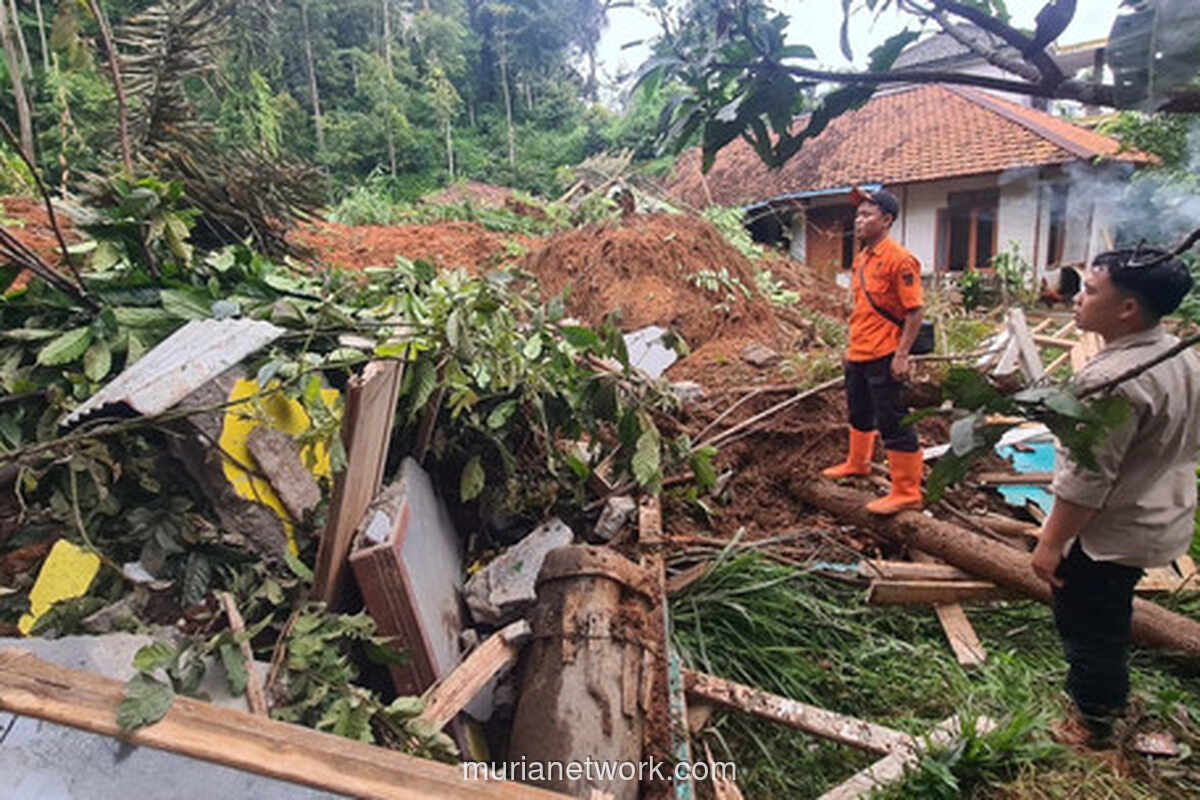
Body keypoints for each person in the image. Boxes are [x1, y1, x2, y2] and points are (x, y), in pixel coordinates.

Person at [1030, 246, 1199, 748]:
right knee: (1110, 612)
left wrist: (1050, 543)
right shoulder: (1179, 355)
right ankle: (1105, 702)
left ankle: (1094, 722)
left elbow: (1088, 478)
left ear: (1128, 308)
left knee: (1088, 625)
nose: (1076, 298)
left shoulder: (1111, 382)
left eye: (1090, 290)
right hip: (1158, 515)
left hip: (1107, 533)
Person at [821, 187, 926, 515]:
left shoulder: (900, 260)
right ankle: (858, 463)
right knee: (859, 411)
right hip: (859, 351)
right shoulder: (862, 259)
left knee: (893, 420)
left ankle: (907, 491)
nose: (859, 220)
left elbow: (915, 311)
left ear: (887, 220)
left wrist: (902, 355)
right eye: (858, 214)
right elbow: (862, 309)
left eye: (867, 215)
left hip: (885, 353)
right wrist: (850, 346)